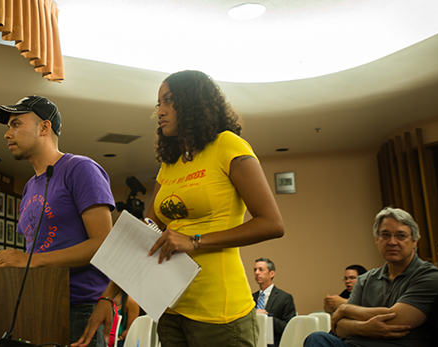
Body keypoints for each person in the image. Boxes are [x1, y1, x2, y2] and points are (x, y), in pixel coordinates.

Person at [73, 70, 284, 347]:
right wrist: (107, 296)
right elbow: (145, 236)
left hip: (219, 311)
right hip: (171, 307)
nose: (160, 111)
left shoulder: (228, 145)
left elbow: (272, 223)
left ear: (194, 103)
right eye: (158, 103)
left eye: (169, 100)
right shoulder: (170, 164)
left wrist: (194, 242)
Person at [0, 95, 115, 346]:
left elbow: (103, 244)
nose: (7, 134)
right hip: (38, 306)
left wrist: (32, 261)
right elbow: (34, 250)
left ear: (44, 127)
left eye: (16, 124)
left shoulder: (80, 168)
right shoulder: (29, 187)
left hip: (79, 309)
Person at [304, 207, 438, 347]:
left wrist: (346, 309)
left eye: (401, 236)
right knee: (317, 338)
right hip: (353, 345)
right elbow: (339, 326)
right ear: (377, 240)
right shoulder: (365, 279)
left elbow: (397, 319)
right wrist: (364, 328)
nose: (392, 242)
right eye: (385, 235)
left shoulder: (430, 276)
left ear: (414, 241)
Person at [252, 258, 296, 345]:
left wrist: (267, 318)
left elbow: (289, 327)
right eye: (255, 270)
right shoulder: (251, 298)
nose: (256, 273)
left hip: (274, 343)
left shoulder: (284, 298)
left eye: (261, 269)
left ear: (272, 273)